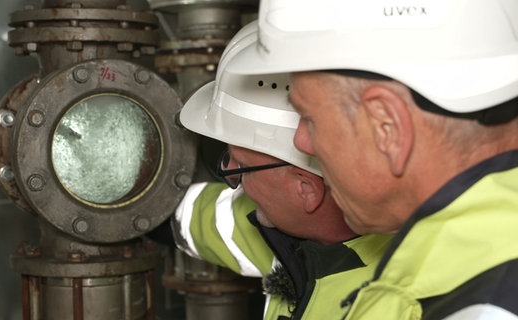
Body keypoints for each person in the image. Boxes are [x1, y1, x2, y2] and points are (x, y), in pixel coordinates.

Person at [223, 0, 518, 319]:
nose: (300, 141)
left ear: (386, 126)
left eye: (309, 118)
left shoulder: (472, 306)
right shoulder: (463, 274)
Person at [172, 21, 391, 319]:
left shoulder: (384, 305)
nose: (231, 175)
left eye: (244, 167)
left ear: (305, 189)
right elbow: (204, 218)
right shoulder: (293, 232)